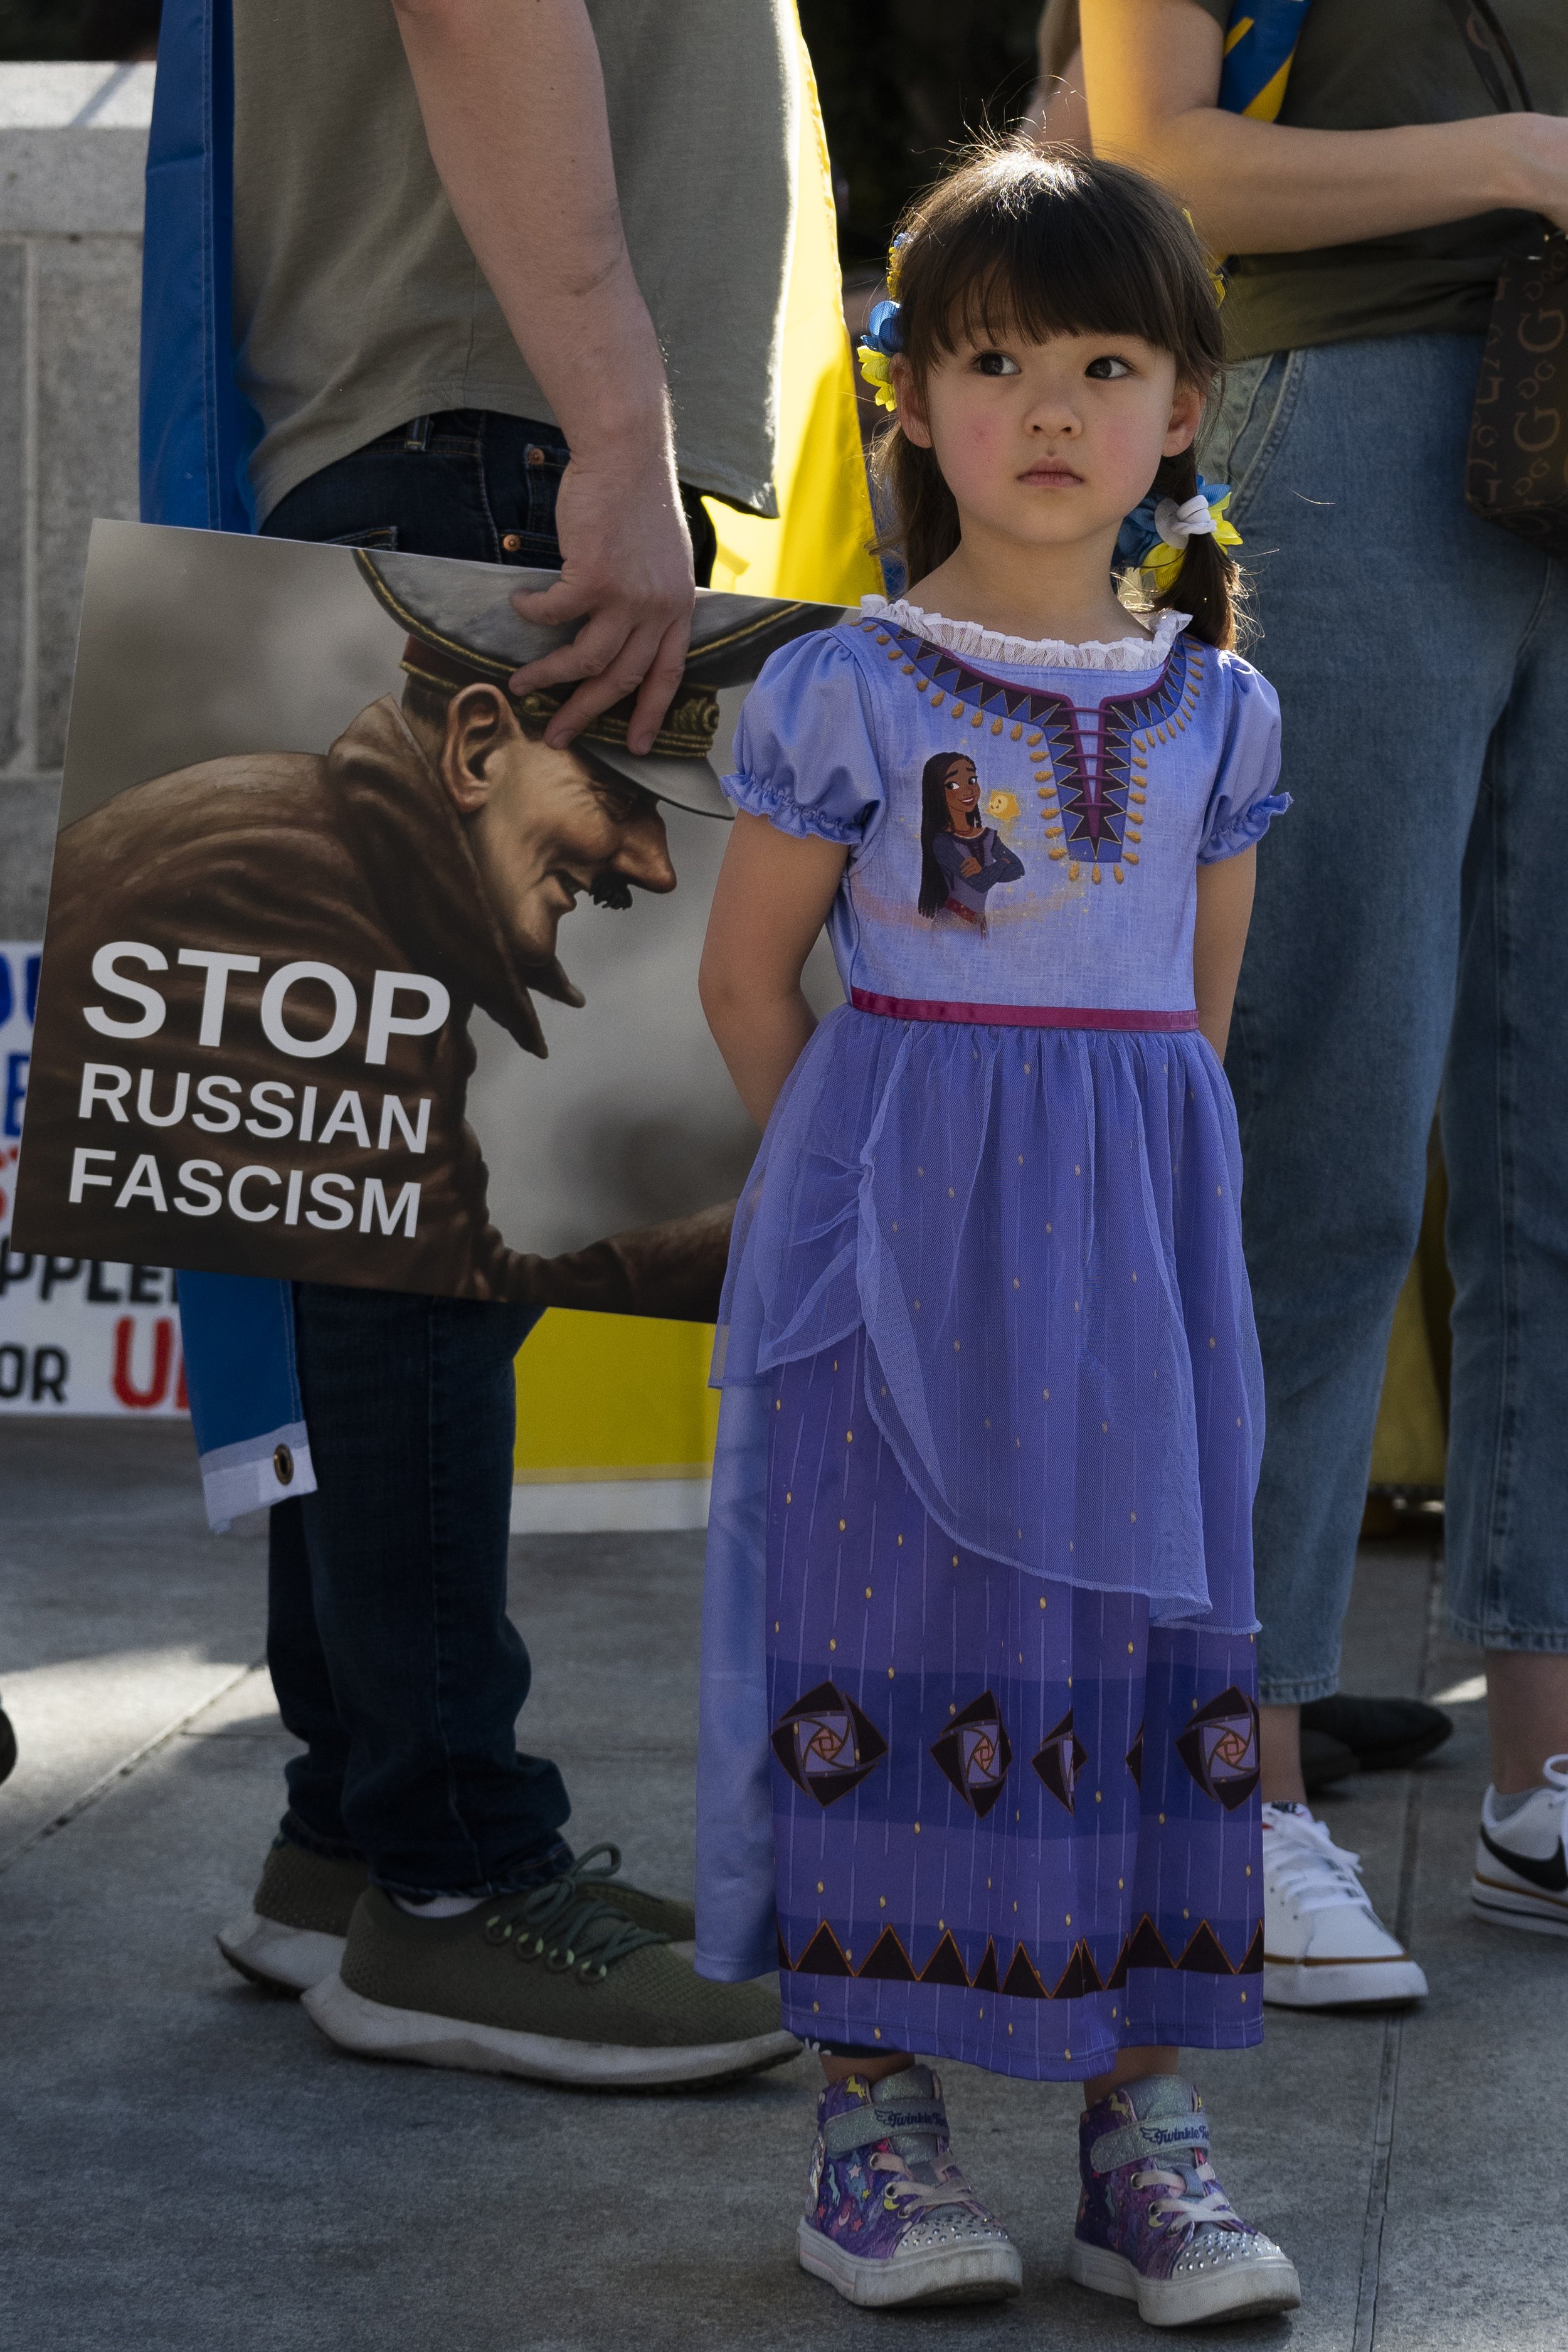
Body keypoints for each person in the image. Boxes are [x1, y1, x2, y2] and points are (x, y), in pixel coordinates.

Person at [140, 0, 810, 2086]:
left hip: (435, 412)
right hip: (485, 427)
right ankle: (447, 1877)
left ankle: (350, 1834)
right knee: (446, 1216)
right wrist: (614, 426)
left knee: (366, 1190)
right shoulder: (537, 422)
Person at [693, 145, 1301, 2325]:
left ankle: (1143, 2142)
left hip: (1132, 1262)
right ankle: (874, 2131)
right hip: (895, 1256)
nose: (1050, 406)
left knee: (1141, 1649)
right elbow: (750, 978)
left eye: (1105, 362)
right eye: (995, 360)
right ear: (914, 405)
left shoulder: (1221, 715)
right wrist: (854, 1204)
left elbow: (1191, 1033)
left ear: (1182, 413)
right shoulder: (843, 689)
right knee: (886, 1620)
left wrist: (1126, 1239)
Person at [1084, 0, 1568, 1988]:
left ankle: (1544, 1777)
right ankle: (1240, 1778)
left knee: (1552, 1146)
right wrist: (1522, 160)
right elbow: (1151, 145)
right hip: (1347, 416)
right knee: (1320, 1128)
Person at [23, 561, 827, 1308]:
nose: (656, 869)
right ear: (477, 750)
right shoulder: (284, 898)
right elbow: (433, 1297)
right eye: (617, 801)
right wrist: (800, 1212)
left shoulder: (367, 901)